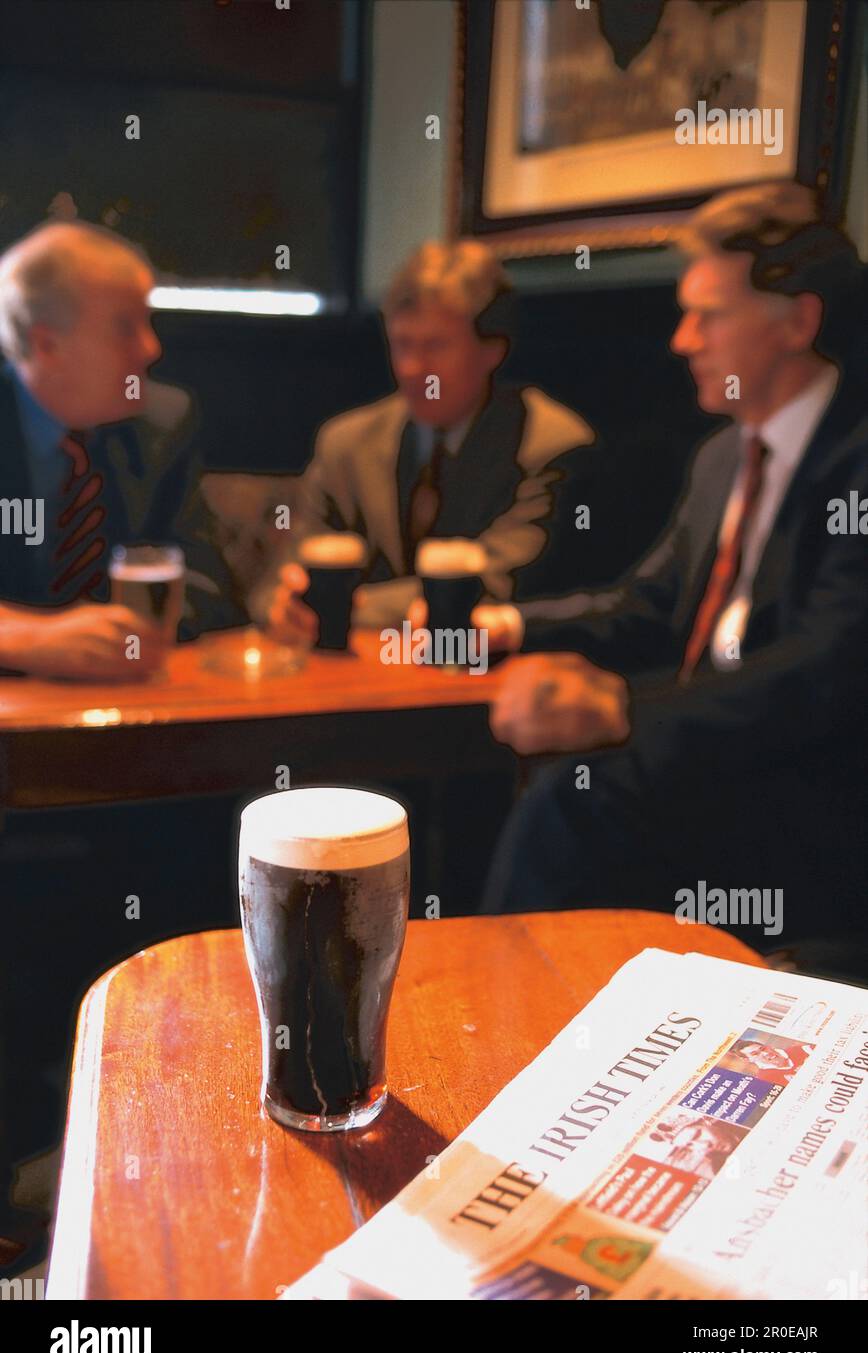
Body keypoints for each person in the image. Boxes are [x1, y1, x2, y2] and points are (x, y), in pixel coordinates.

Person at [475, 182, 867, 970]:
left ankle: (496, 1021)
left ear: (799, 321)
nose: (684, 340)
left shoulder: (856, 458)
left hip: (815, 793)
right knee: (530, 768)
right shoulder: (723, 456)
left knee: (572, 800)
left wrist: (623, 707)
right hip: (715, 761)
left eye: (709, 315)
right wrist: (510, 627)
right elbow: (648, 605)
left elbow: (831, 669)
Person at [261, 239, 595, 641]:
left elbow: (490, 587)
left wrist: (346, 605)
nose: (413, 368)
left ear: (494, 348)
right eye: (402, 344)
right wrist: (286, 604)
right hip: (352, 674)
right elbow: (279, 580)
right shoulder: (345, 443)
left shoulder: (549, 446)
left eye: (436, 346)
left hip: (474, 677)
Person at [0, 220, 246, 680]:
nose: (151, 349)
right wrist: (32, 638)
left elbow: (209, 586)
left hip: (129, 706)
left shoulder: (163, 424)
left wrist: (118, 637)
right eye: (125, 327)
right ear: (47, 344)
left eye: (147, 322)